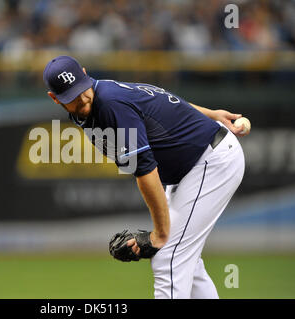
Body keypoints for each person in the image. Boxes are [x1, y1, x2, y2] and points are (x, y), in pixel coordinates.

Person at [43, 55, 247, 299]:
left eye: (81, 90)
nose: (82, 100)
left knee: (167, 257)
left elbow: (146, 170)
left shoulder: (110, 104)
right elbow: (163, 102)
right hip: (193, 166)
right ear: (54, 98)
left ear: (86, 74)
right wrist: (210, 115)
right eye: (71, 98)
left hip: (210, 162)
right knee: (185, 261)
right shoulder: (98, 101)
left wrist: (159, 236)